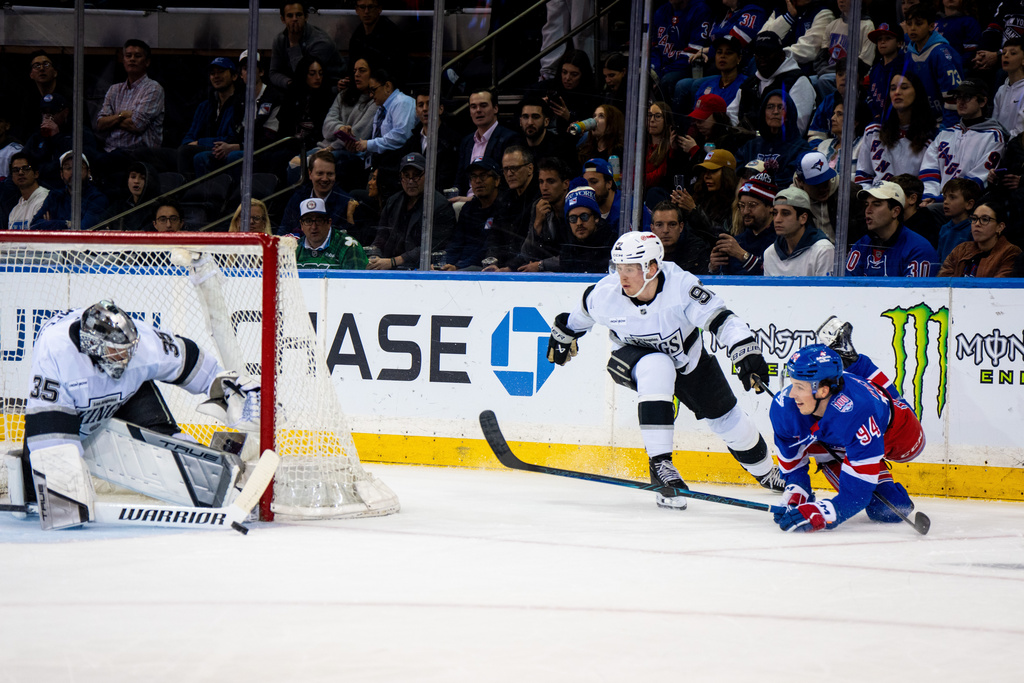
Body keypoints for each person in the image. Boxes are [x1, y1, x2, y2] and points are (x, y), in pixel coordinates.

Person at [546, 230, 783, 509]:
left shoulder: (682, 287)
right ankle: (661, 466)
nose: (622, 277)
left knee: (730, 422)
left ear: (652, 268)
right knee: (657, 365)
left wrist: (745, 348)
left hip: (689, 360)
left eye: (631, 269)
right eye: (619, 267)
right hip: (633, 360)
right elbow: (579, 316)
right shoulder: (605, 294)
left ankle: (766, 472)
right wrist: (564, 335)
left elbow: (720, 319)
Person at [15, 299, 259, 516]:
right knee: (51, 498)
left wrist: (225, 388)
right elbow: (51, 441)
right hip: (71, 411)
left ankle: (229, 485)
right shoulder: (56, 355)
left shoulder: (143, 343)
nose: (126, 358)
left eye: (128, 350)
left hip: (127, 394)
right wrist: (66, 496)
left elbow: (191, 362)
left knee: (165, 443)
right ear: (93, 345)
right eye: (116, 352)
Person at [769, 344, 921, 532]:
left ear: (823, 390)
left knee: (913, 449)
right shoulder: (784, 407)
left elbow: (856, 493)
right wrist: (796, 490)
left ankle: (858, 364)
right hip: (838, 441)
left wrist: (826, 513)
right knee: (886, 509)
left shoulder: (857, 413)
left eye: (799, 387)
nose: (792, 394)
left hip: (892, 427)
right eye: (792, 384)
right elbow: (792, 462)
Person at [195, 51, 284, 179]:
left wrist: (235, 147)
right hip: (239, 147)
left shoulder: (274, 97)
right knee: (201, 158)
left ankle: (237, 196)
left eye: (253, 68)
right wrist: (225, 146)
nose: (249, 72)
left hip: (264, 151)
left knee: (234, 156)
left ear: (261, 72)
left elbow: (269, 138)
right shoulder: (239, 100)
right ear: (241, 75)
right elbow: (236, 131)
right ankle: (212, 196)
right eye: (245, 69)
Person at [919, 78, 1007, 202]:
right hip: (936, 201)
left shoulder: (994, 136)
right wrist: (929, 196)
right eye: (958, 97)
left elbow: (978, 179)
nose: (960, 102)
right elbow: (929, 170)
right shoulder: (944, 134)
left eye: (967, 97)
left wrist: (942, 200)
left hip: (968, 204)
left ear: (982, 102)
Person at [367, 152, 456, 270]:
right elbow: (380, 238)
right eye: (406, 175)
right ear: (401, 177)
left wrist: (393, 262)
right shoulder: (393, 202)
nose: (411, 181)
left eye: (416, 175)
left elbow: (429, 247)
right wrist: (375, 257)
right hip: (389, 265)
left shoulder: (440, 206)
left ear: (428, 175)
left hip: (418, 269)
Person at [856, 72, 935, 188]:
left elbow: (929, 183)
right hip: (876, 199)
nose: (897, 92)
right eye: (893, 89)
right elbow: (863, 178)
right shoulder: (873, 131)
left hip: (909, 201)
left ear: (917, 92)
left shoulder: (931, 137)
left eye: (904, 87)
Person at [728, 32, 816, 136]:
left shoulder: (798, 81)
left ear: (781, 55)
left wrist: (755, 135)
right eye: (758, 53)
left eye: (767, 53)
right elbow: (731, 114)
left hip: (783, 148)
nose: (762, 57)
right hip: (747, 147)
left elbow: (797, 128)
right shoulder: (749, 83)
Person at [846, 181, 938, 276]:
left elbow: (915, 291)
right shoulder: (861, 245)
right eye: (866, 204)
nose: (868, 210)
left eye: (876, 204)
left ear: (895, 211)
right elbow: (846, 287)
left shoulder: (919, 250)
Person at [94, 39, 165, 155]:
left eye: (137, 56)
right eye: (128, 56)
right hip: (109, 150)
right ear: (123, 60)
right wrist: (123, 115)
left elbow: (136, 125)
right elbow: (100, 124)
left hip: (138, 154)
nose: (132, 59)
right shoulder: (114, 89)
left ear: (147, 62)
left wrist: (112, 119)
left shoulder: (153, 89)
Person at [342, 68, 416, 177]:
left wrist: (369, 144)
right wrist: (358, 148)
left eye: (373, 90)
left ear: (387, 86)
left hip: (395, 165)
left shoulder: (402, 102)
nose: (371, 95)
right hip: (377, 163)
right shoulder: (381, 109)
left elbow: (400, 136)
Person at [177, 57, 242, 178]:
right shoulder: (204, 105)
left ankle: (184, 193)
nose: (216, 76)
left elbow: (231, 138)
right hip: (202, 147)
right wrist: (191, 143)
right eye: (212, 73)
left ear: (234, 76)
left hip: (223, 149)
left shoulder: (240, 105)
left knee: (186, 152)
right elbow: (189, 137)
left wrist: (199, 142)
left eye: (221, 71)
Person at [735, 90, 813, 189]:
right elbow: (738, 172)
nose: (775, 112)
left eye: (781, 107)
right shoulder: (751, 146)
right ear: (763, 113)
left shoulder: (801, 148)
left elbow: (790, 180)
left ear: (789, 114)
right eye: (770, 107)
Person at [507, 156, 572, 273]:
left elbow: (573, 256)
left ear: (565, 184)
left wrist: (541, 265)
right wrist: (537, 224)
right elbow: (526, 254)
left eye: (550, 181)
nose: (544, 187)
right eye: (541, 182)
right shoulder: (539, 206)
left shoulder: (575, 207)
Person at [905, 4, 964, 126]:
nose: (912, 28)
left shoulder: (941, 53)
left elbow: (954, 96)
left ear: (931, 26)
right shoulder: (908, 55)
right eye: (909, 24)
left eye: (918, 23)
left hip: (944, 122)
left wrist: (946, 128)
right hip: (920, 123)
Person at [454, 89, 521, 198]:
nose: (478, 110)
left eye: (483, 105)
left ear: (495, 108)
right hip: (466, 203)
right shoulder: (467, 141)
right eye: (473, 107)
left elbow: (507, 181)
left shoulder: (510, 138)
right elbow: (460, 179)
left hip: (493, 202)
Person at [279, 149, 359, 237]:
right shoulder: (298, 196)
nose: (325, 179)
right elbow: (284, 230)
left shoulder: (346, 203)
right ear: (310, 174)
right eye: (320, 173)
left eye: (330, 174)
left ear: (335, 175)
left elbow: (347, 240)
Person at [709, 173, 777, 274]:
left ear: (771, 207)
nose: (745, 211)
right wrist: (714, 268)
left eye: (752, 205)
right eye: (742, 205)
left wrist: (743, 256)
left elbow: (773, 277)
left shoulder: (781, 241)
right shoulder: (737, 242)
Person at [483, 146, 540, 269]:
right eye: (505, 169)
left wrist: (510, 268)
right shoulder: (505, 198)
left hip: (525, 268)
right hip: (503, 266)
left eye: (514, 168)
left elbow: (533, 246)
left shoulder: (540, 198)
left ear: (530, 168)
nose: (509, 174)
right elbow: (495, 236)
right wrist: (492, 262)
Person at [270, 1, 345, 91]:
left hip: (327, 90)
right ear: (283, 19)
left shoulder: (321, 42)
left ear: (306, 17)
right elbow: (273, 73)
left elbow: (305, 76)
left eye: (298, 15)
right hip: (297, 88)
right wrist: (289, 83)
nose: (294, 19)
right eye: (290, 16)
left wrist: (294, 44)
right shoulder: (280, 39)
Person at [398, 87, 460, 191]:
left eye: (430, 104)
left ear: (441, 109)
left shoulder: (453, 140)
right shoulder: (411, 142)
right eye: (421, 105)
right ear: (417, 111)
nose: (425, 109)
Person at [762, 186, 834, 276]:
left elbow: (826, 289)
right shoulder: (770, 253)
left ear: (803, 218)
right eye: (775, 213)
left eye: (785, 213)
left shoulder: (823, 250)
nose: (777, 219)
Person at [938, 201, 1023, 276]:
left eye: (985, 219)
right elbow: (943, 283)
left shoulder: (1010, 253)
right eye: (974, 219)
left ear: (1000, 227)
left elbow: (999, 288)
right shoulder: (961, 250)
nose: (977, 224)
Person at [31, 152, 109, 231]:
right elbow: (34, 225)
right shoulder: (54, 196)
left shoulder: (97, 198)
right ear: (61, 174)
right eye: (68, 168)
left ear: (89, 172)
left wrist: (51, 224)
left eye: (79, 166)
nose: (73, 171)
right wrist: (66, 223)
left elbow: (81, 231)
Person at [294, 197, 368, 270]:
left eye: (319, 220)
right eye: (308, 221)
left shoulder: (348, 246)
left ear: (329, 223)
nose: (314, 227)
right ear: (301, 225)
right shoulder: (294, 248)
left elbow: (355, 281)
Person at [557, 186, 617, 273]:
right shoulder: (567, 246)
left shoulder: (611, 244)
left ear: (596, 218)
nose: (579, 223)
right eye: (573, 218)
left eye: (584, 216)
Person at [348, 0, 408, 86]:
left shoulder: (392, 34)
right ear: (356, 10)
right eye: (362, 7)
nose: (366, 11)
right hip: (361, 87)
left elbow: (397, 72)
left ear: (379, 9)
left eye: (371, 7)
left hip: (383, 88)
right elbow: (352, 67)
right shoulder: (357, 35)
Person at [19, 50, 74, 141]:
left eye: (46, 64)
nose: (41, 69)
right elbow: (24, 129)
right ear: (31, 75)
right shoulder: (29, 99)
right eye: (36, 66)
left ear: (55, 72)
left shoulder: (68, 96)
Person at [650, 200, 711, 274]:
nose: (665, 230)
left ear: (681, 227)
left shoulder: (696, 251)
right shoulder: (643, 254)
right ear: (652, 229)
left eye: (672, 224)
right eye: (659, 225)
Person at [541, 49, 597, 126]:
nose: (567, 78)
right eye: (564, 72)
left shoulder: (592, 97)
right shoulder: (550, 86)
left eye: (574, 74)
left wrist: (569, 117)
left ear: (583, 75)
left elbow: (592, 126)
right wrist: (539, 105)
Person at [865, 23, 909, 119]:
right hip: (877, 122)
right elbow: (869, 96)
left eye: (888, 38)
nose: (882, 42)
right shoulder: (875, 69)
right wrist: (874, 113)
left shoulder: (905, 68)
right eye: (879, 39)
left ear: (899, 43)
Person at [104, 161, 161, 232]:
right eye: (133, 177)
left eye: (142, 178)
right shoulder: (118, 207)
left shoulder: (157, 209)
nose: (136, 181)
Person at [891, 173, 942, 248]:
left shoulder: (925, 229)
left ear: (912, 199)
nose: (889, 199)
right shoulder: (895, 220)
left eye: (895, 195)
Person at [936, 178, 980, 263]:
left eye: (952, 197)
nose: (945, 202)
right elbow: (939, 259)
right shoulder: (944, 229)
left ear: (969, 204)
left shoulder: (974, 229)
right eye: (945, 198)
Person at [6, 153, 49, 231]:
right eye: (15, 170)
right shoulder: (15, 211)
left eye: (26, 168)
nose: (20, 173)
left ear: (36, 174)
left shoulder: (46, 199)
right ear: (12, 177)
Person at [993, 37, 1024, 139]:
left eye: (1013, 53)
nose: (1005, 56)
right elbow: (994, 124)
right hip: (999, 145)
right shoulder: (1001, 90)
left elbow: (1020, 131)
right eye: (1004, 53)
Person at [582, 157, 620, 231]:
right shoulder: (586, 206)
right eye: (585, 183)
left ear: (609, 183)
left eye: (593, 182)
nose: (588, 188)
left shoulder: (627, 210)